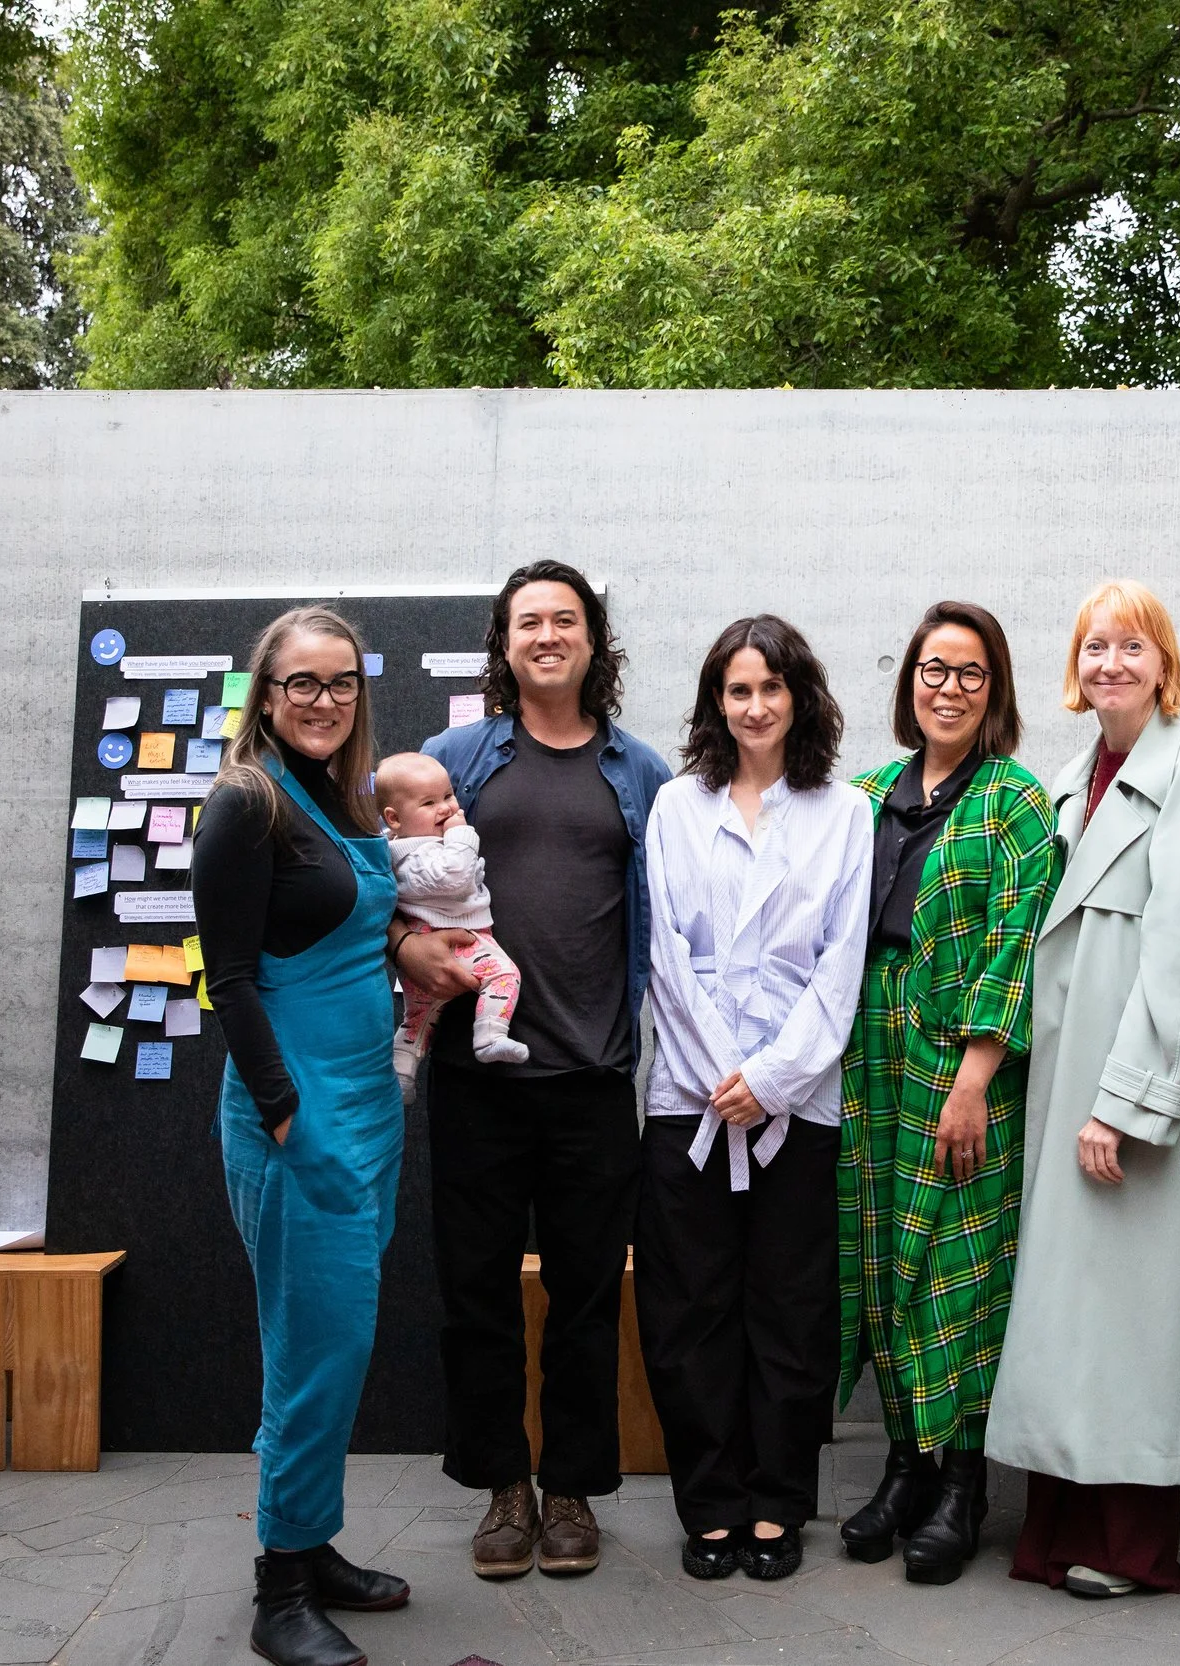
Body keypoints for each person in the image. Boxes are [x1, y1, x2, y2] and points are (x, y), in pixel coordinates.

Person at [402, 560, 671, 1582]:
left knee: (587, 1299)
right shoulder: (455, 757)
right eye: (529, 621)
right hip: (478, 1078)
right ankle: (500, 1487)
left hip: (593, 1080)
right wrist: (399, 952)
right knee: (474, 1297)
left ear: (594, 641)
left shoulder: (636, 769)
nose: (547, 634)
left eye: (566, 619)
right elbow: (389, 876)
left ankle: (570, 1490)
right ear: (503, 643)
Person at [985, 580, 1180, 1601]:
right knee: (1071, 1315)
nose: (1110, 663)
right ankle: (1054, 1531)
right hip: (1062, 1084)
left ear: (1164, 664)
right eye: (1094, 647)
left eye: (1131, 646)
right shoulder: (1060, 781)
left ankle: (1134, 1546)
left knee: (1131, 1319)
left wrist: (1125, 1102)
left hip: (1133, 1091)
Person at [190, 606, 413, 1666]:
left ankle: (312, 1542)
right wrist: (285, 1112)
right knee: (312, 1350)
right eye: (302, 684)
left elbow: (362, 927)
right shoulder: (244, 801)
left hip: (369, 1109)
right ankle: (280, 1589)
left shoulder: (338, 795)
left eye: (341, 684)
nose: (324, 702)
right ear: (265, 695)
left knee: (339, 1339)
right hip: (300, 1116)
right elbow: (229, 978)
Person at [635, 615, 873, 1585]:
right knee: (689, 1309)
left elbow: (839, 967)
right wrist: (720, 1077)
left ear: (799, 696)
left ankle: (778, 1501)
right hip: (688, 1100)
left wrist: (770, 1082)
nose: (755, 705)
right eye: (737, 690)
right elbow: (665, 958)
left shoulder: (843, 811)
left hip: (796, 1104)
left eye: (771, 688)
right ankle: (712, 1503)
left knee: (790, 1308)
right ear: (715, 703)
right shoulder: (674, 808)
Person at [837, 600, 1059, 1586]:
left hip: (959, 1058)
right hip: (867, 1052)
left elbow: (1018, 948)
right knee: (882, 1251)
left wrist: (976, 1075)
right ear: (908, 680)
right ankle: (902, 1468)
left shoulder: (1015, 800)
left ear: (994, 689)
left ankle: (962, 1482)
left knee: (961, 1263)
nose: (949, 687)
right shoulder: (867, 790)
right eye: (934, 668)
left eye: (971, 672)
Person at [375, 751, 526, 1097]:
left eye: (447, 795)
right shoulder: (416, 853)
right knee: (504, 975)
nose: (445, 808)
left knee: (418, 1019)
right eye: (428, 803)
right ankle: (490, 1034)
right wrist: (462, 836)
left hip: (423, 946)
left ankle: (400, 1076)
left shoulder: (413, 849)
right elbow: (457, 877)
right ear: (394, 819)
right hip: (452, 941)